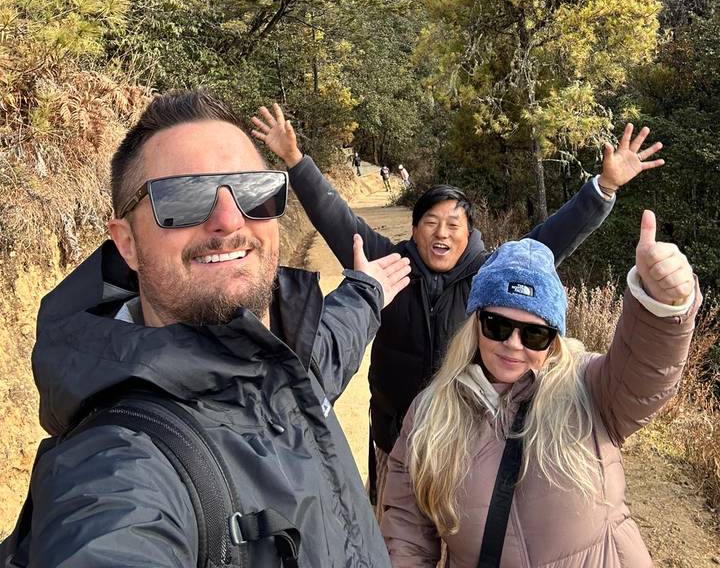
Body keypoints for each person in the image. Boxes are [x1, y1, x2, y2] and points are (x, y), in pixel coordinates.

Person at [4, 90, 411, 568]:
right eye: (183, 197)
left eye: (252, 191)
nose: (228, 218)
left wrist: (366, 290)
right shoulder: (118, 466)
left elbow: (332, 341)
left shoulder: (285, 367)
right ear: (127, 244)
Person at [251, 105, 665, 511]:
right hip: (392, 437)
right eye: (430, 222)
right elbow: (335, 218)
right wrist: (294, 160)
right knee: (388, 530)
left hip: (466, 441)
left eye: (454, 225)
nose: (441, 232)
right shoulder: (388, 265)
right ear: (414, 230)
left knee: (456, 535)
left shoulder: (492, 276)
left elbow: (550, 239)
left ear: (471, 235)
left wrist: (603, 188)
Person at [380, 214, 699, 567]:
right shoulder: (430, 412)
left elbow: (643, 377)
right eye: (497, 325)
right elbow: (407, 533)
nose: (513, 345)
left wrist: (659, 306)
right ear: (475, 323)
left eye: (534, 334)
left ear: (555, 339)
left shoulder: (589, 387)